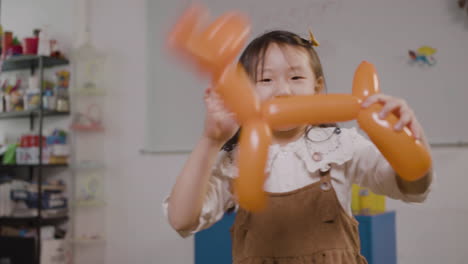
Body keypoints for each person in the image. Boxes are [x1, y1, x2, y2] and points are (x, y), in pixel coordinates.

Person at [163, 30, 434, 263]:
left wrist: (408, 137)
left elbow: (412, 186)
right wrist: (210, 141)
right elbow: (181, 220)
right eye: (265, 80)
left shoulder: (341, 144)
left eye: (295, 78)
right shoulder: (236, 159)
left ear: (317, 89)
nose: (283, 91)